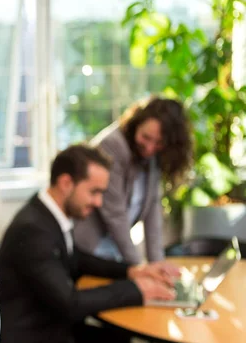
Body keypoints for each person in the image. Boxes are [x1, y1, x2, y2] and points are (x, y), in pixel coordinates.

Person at [0, 144, 177, 343]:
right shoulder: (33, 230)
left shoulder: (48, 213)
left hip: (50, 324)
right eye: (94, 192)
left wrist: (132, 271)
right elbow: (70, 303)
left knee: (116, 340)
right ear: (66, 183)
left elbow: (76, 259)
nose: (99, 202)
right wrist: (138, 289)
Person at [74, 97, 192, 265]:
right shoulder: (112, 146)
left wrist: (158, 265)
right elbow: (115, 215)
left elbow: (152, 210)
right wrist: (139, 267)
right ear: (137, 123)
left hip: (115, 250)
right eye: (145, 137)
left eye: (159, 143)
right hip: (91, 246)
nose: (150, 148)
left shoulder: (152, 157)